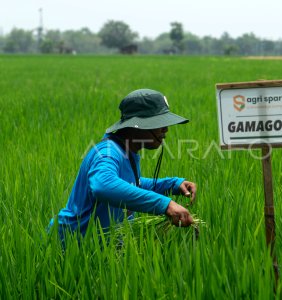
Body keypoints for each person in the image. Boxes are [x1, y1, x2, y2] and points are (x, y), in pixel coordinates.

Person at [49, 88, 197, 240]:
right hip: (72, 246)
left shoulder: (127, 150)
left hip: (102, 247)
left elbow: (131, 184)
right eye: (158, 123)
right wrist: (165, 205)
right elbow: (103, 185)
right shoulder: (108, 152)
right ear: (135, 125)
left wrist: (172, 185)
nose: (165, 129)